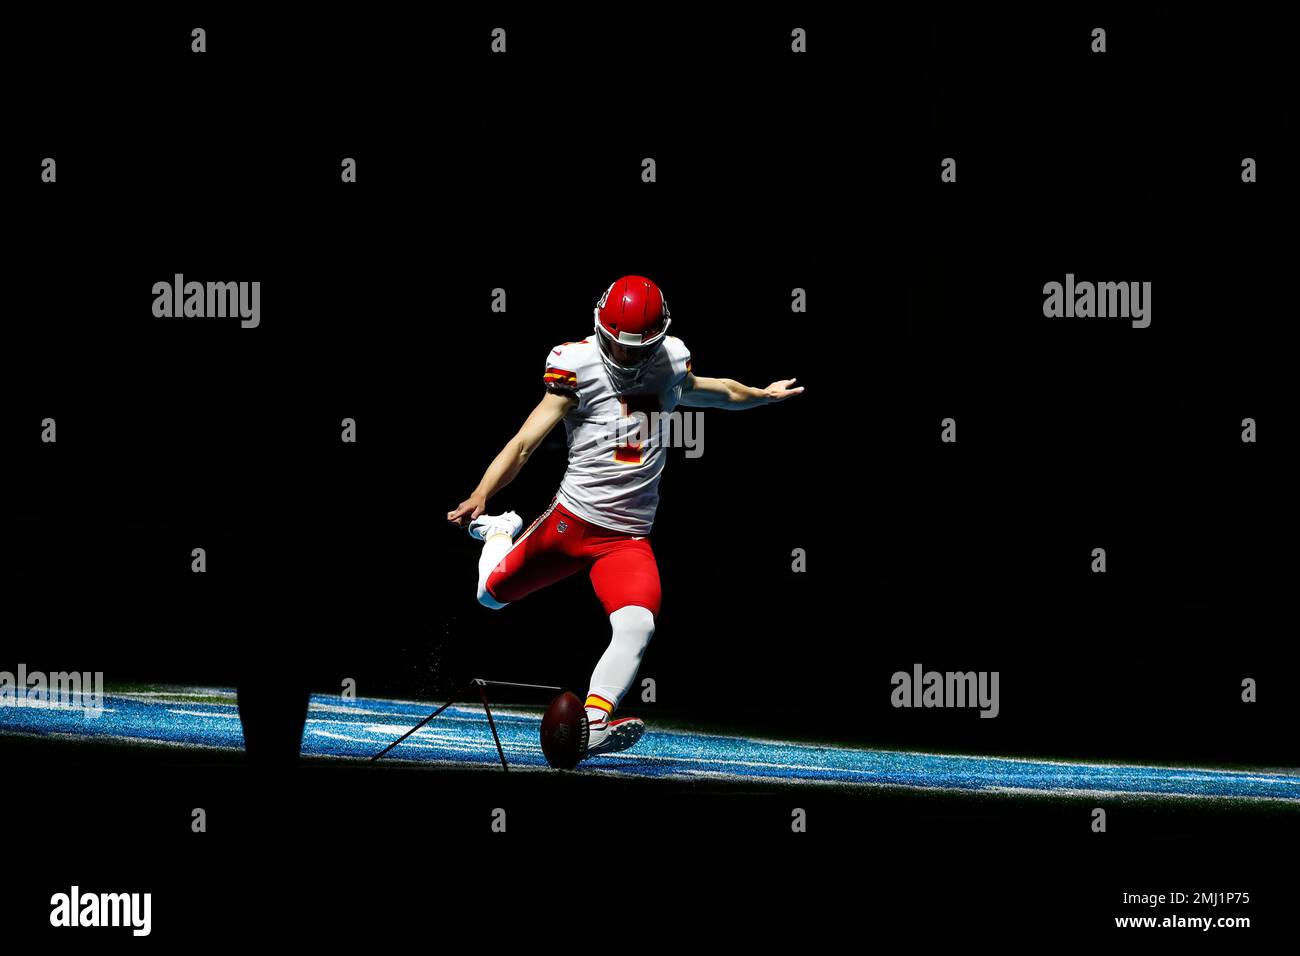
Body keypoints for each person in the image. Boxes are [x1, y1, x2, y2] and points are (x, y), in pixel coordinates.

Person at [448, 276, 803, 759]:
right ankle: (502, 530)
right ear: (600, 329)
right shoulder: (577, 365)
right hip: (572, 523)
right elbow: (525, 443)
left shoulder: (671, 360)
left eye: (640, 350)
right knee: (488, 597)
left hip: (627, 538)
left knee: (638, 625)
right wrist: (481, 493)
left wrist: (761, 394)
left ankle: (593, 724)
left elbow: (712, 391)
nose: (629, 358)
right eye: (620, 347)